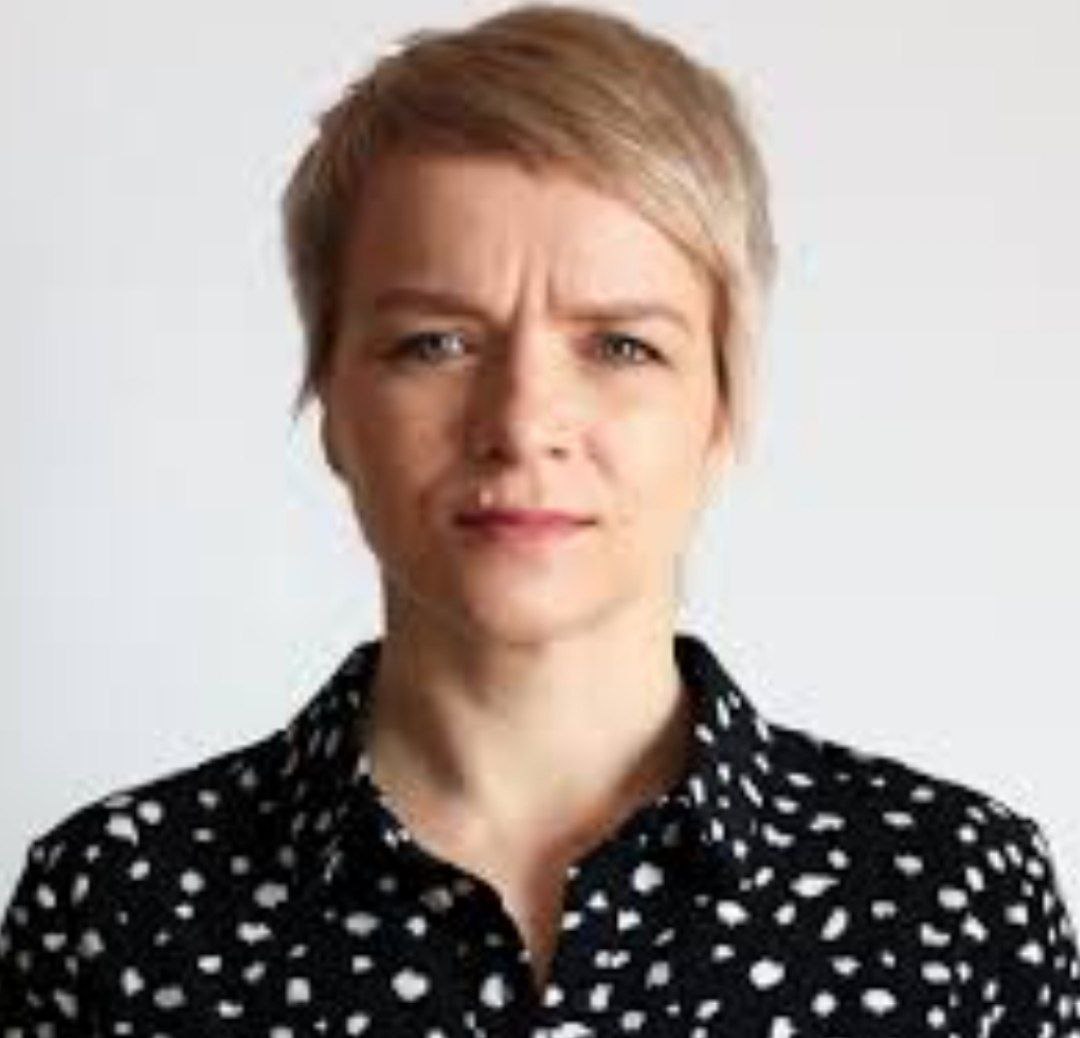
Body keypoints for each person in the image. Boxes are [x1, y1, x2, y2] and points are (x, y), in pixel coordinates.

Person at [2, 3, 1077, 1034]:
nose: (522, 423)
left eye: (621, 346)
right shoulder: (115, 908)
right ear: (332, 404)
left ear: (722, 411)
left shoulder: (956, 904)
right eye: (434, 342)